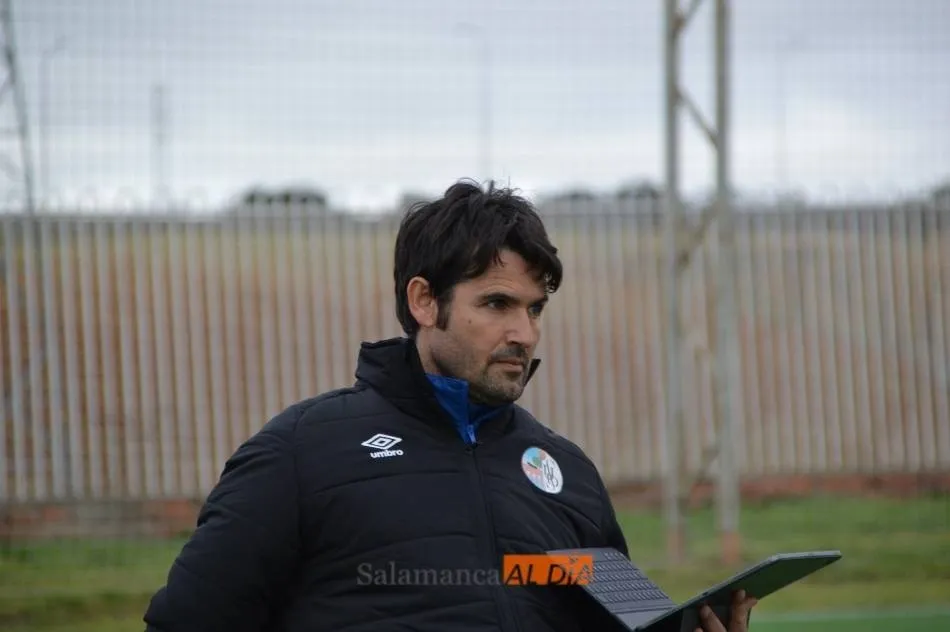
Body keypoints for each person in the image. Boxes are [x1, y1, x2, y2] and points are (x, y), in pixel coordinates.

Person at [143, 180, 757, 631]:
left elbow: (632, 620)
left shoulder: (567, 473)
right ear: (424, 302)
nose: (525, 332)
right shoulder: (302, 451)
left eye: (535, 308)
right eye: (497, 304)